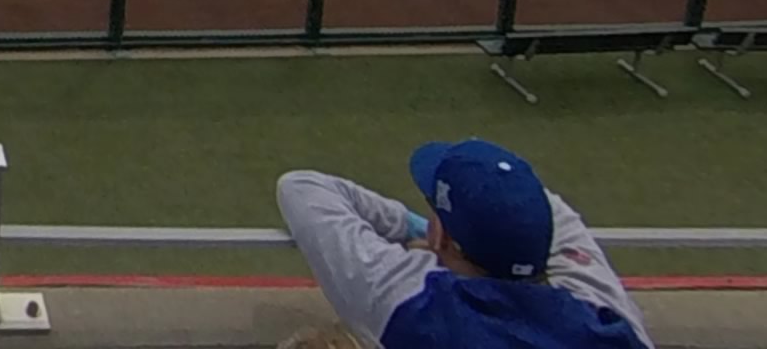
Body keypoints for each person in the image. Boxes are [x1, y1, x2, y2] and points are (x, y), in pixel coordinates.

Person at [276, 139, 650, 349]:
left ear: (441, 237)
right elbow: (545, 205)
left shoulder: (406, 298)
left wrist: (410, 226)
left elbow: (303, 189)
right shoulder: (608, 315)